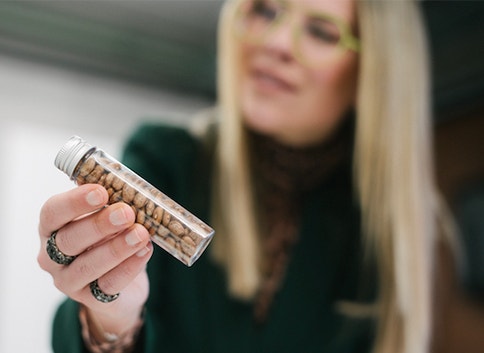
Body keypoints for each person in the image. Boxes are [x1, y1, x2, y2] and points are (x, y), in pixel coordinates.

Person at [37, 0, 465, 352]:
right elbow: (94, 317)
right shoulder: (166, 160)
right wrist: (111, 319)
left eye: (321, 31)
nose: (276, 42)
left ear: (372, 69)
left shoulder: (403, 231)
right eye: (265, 10)